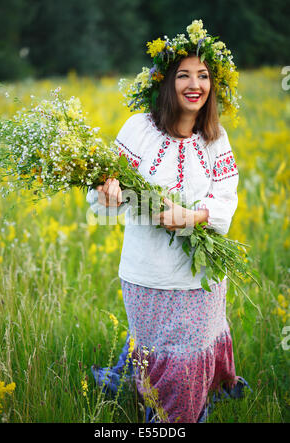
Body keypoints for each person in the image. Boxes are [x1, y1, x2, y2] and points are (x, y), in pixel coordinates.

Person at [86, 20, 251, 423]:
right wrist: (107, 193)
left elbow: (226, 201)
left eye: (204, 75)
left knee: (188, 359)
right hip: (146, 275)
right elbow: (100, 201)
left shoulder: (216, 138)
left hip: (200, 278)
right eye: (183, 75)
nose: (194, 84)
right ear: (165, 82)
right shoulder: (138, 129)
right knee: (156, 350)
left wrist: (192, 217)